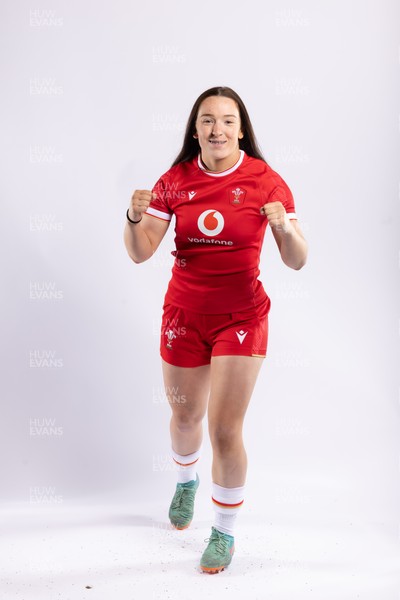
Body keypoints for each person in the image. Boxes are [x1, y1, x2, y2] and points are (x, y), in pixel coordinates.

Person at [123, 86, 307, 574]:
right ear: (195, 128)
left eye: (228, 120)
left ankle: (223, 533)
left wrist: (284, 227)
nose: (217, 129)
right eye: (208, 120)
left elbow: (297, 260)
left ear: (241, 128)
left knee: (224, 429)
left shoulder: (267, 182)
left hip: (241, 318)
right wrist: (133, 217)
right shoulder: (175, 180)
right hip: (183, 316)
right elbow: (141, 251)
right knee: (186, 420)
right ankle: (186, 482)